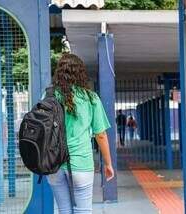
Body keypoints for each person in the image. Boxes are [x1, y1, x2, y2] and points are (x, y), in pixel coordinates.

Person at [47, 53, 114, 214]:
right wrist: (108, 163)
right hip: (81, 163)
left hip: (54, 163)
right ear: (80, 73)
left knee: (64, 210)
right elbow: (101, 135)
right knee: (83, 210)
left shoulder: (49, 95)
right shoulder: (90, 98)